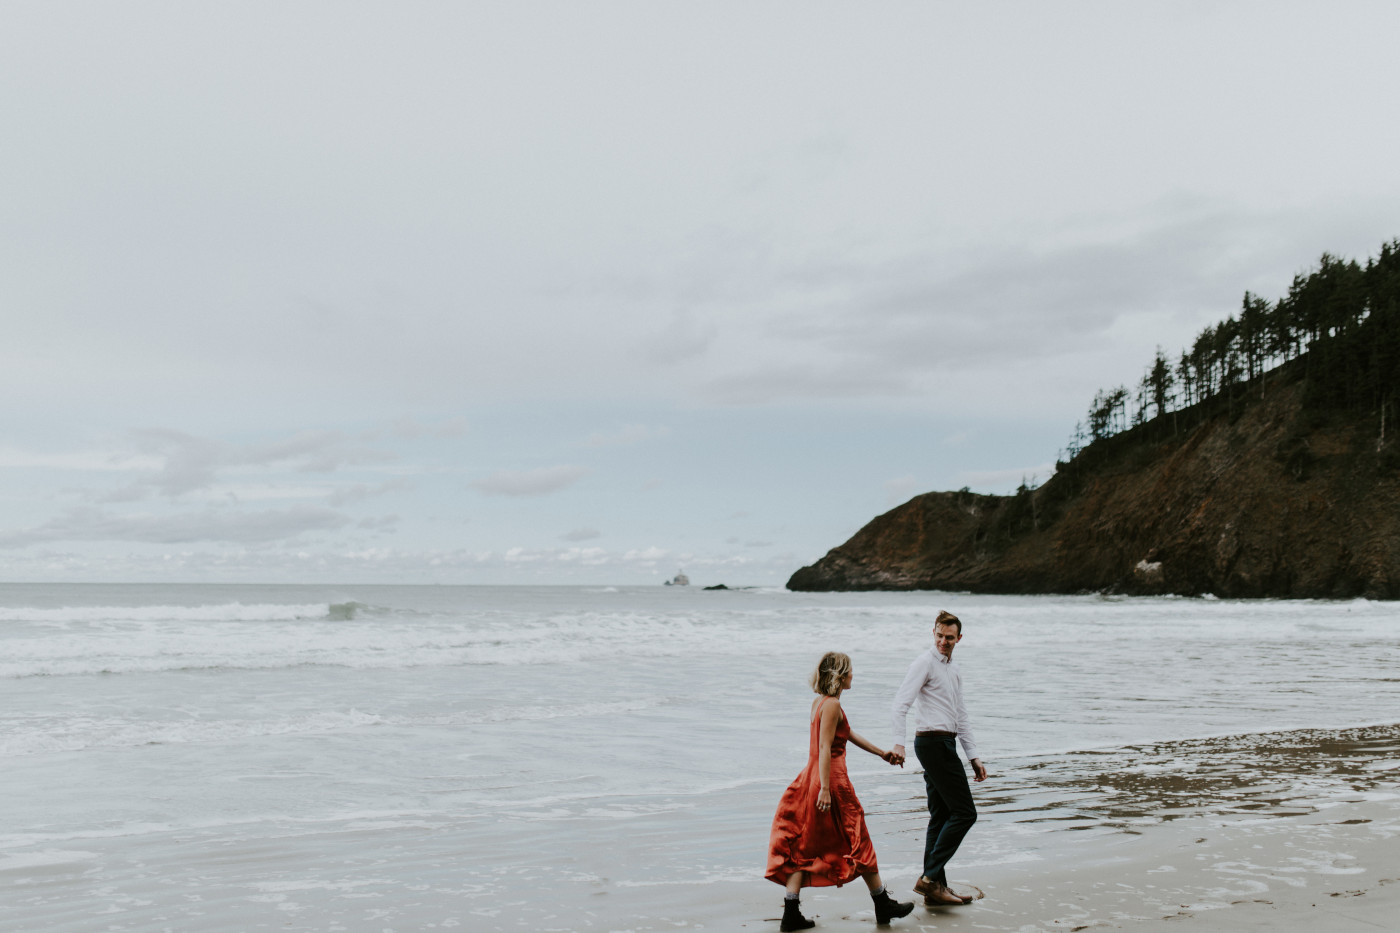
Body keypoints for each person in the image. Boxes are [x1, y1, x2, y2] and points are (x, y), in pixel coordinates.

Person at [767, 651, 915, 931]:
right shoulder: (832, 704)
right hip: (832, 780)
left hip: (809, 776)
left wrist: (881, 753)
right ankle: (882, 904)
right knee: (859, 839)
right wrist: (825, 788)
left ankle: (791, 911)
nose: (852, 675)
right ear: (839, 675)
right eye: (849, 671)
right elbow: (825, 748)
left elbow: (847, 733)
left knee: (802, 843)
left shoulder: (820, 703)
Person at [889, 610, 987, 907]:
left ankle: (937, 888)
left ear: (959, 638)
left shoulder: (954, 669)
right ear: (933, 632)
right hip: (931, 744)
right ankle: (930, 879)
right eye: (940, 635)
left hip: (946, 743)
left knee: (941, 816)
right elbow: (900, 705)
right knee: (965, 813)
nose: (944, 641)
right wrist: (899, 744)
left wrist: (973, 756)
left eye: (950, 637)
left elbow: (961, 716)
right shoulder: (924, 663)